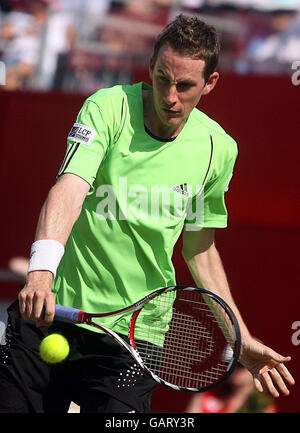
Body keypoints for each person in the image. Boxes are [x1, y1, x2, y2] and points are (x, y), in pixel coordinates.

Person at [0, 14, 295, 413]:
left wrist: (239, 338)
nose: (170, 96)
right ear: (151, 67)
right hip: (52, 308)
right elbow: (70, 186)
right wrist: (41, 272)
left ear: (210, 84)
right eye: (162, 79)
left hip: (135, 337)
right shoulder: (107, 108)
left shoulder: (217, 149)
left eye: (185, 85)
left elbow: (201, 249)